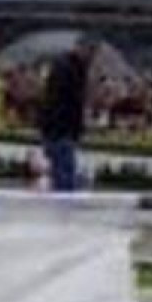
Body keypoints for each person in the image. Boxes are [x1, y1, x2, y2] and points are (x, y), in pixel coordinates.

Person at [37, 36, 97, 193]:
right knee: (64, 173)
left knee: (63, 171)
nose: (91, 56)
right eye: (90, 51)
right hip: (61, 128)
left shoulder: (70, 66)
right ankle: (63, 205)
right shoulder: (69, 68)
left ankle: (62, 200)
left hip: (59, 128)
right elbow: (68, 100)